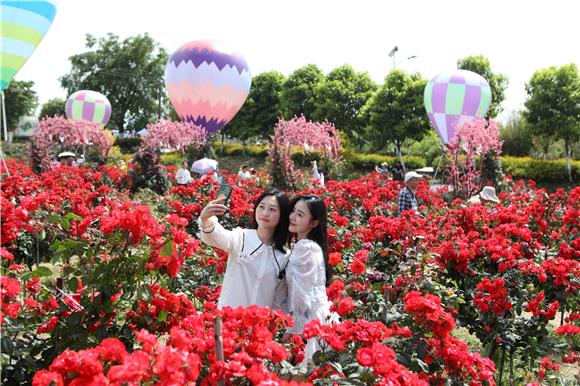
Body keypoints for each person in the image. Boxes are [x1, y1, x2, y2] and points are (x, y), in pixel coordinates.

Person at [198, 189, 290, 309]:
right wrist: (205, 219)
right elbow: (218, 236)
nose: (265, 213)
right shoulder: (241, 237)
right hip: (228, 320)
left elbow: (279, 298)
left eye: (272, 209)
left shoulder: (284, 256)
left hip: (258, 324)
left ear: (282, 216)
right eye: (261, 207)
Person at [285, 194, 334, 368]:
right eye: (293, 211)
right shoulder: (306, 245)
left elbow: (301, 296)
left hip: (309, 321)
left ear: (313, 223)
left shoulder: (306, 248)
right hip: (314, 318)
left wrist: (293, 333)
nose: (292, 217)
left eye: (300, 214)